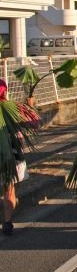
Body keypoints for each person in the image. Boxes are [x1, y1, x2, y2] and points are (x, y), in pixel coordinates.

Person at [0, 79, 40, 236]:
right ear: (5, 92)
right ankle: (7, 222)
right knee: (9, 190)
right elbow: (34, 123)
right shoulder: (15, 108)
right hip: (12, 156)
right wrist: (30, 106)